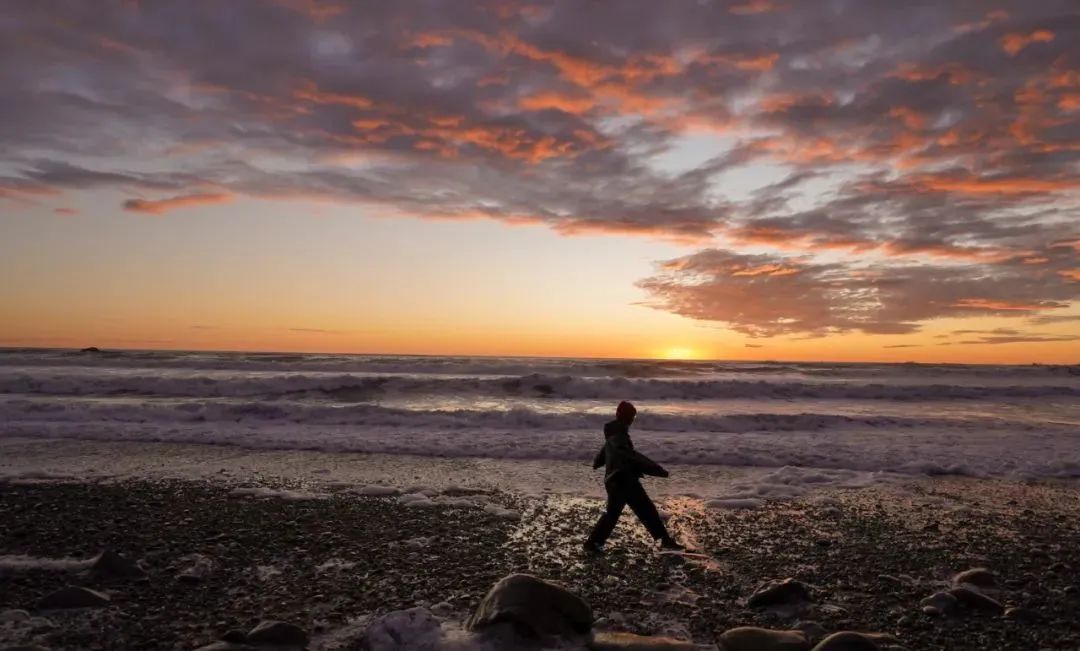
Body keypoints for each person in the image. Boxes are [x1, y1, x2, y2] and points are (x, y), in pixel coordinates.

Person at [583, 401, 685, 553]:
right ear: (623, 416)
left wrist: (598, 462)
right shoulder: (618, 436)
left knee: (621, 513)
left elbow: (605, 453)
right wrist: (656, 469)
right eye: (630, 416)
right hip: (623, 480)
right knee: (645, 510)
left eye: (632, 417)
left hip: (616, 480)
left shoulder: (614, 434)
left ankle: (592, 543)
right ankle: (664, 540)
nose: (632, 420)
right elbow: (631, 456)